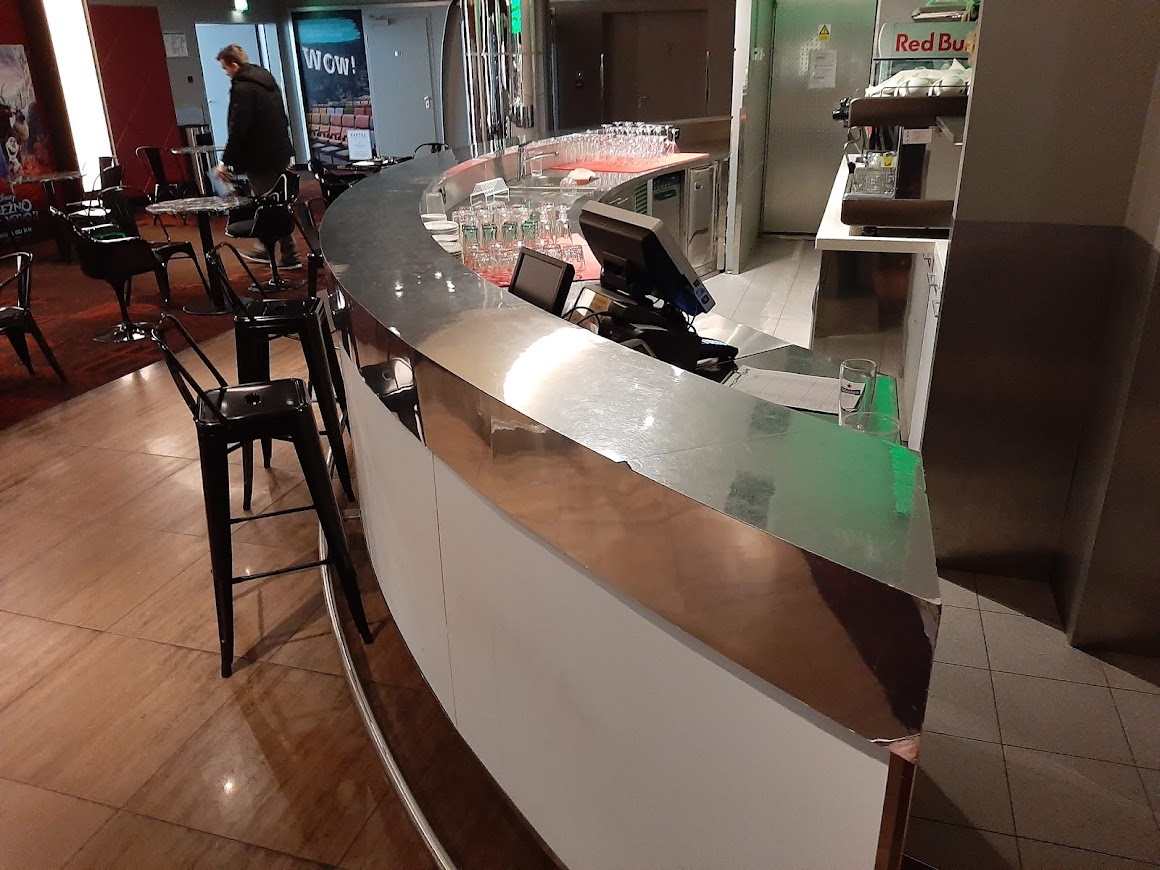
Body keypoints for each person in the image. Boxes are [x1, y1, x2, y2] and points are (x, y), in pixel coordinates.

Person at [212, 44, 300, 269]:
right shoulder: (267, 81)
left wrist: (226, 161)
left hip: (259, 157)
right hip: (278, 152)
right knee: (277, 201)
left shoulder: (243, 88)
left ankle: (287, 254)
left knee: (268, 204)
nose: (226, 73)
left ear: (234, 65)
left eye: (225, 68)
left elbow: (239, 128)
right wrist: (287, 151)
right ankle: (268, 247)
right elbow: (281, 119)